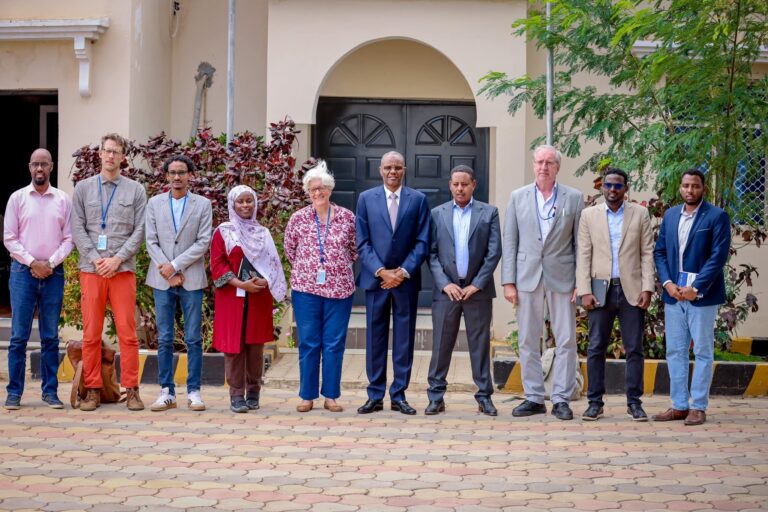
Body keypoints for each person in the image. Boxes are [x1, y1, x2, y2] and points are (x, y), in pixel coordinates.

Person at [501, 144, 583, 421]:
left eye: (549, 162)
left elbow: (579, 244)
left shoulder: (573, 198)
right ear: (533, 165)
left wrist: (579, 283)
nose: (544, 167)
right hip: (527, 277)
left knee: (566, 340)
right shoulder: (518, 197)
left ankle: (561, 398)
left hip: (562, 277)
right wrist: (508, 282)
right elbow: (510, 241)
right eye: (539, 162)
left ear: (558, 167)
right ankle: (534, 397)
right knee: (527, 339)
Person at [71, 133, 147, 411]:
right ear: (100, 154)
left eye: (116, 151)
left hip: (122, 270)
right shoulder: (83, 189)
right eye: (107, 151)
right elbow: (77, 228)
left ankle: (133, 389)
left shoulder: (136, 190)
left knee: (128, 333)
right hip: (91, 271)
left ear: (123, 156)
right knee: (91, 333)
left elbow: (140, 230)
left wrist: (117, 260)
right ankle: (92, 389)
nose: (111, 156)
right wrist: (95, 259)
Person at [576, 168, 655, 421]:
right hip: (600, 290)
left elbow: (647, 253)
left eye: (618, 186)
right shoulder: (589, 215)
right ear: (602, 187)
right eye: (608, 185)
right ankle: (595, 402)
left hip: (631, 289)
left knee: (634, 348)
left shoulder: (640, 214)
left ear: (626, 188)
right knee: (596, 347)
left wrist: (647, 287)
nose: (613, 190)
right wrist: (585, 291)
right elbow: (584, 255)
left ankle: (634, 402)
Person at [653, 169, 730, 426]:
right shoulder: (671, 215)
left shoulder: (717, 216)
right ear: (680, 188)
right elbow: (660, 251)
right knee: (675, 351)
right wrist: (667, 284)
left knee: (703, 351)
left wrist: (695, 287)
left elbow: (718, 256)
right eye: (685, 186)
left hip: (702, 297)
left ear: (703, 189)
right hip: (674, 295)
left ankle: (698, 406)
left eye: (695, 186)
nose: (690, 190)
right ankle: (678, 405)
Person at [356, 151, 430, 415]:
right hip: (376, 282)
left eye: (398, 167)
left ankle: (399, 394)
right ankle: (375, 394)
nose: (393, 172)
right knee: (375, 338)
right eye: (388, 167)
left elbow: (423, 241)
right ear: (380, 170)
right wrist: (381, 271)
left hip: (405, 282)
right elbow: (362, 242)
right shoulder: (366, 199)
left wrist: (402, 272)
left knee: (403, 339)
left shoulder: (418, 200)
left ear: (405, 169)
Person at [425, 165, 501, 416]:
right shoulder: (437, 214)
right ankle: (436, 396)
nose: (460, 188)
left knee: (479, 345)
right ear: (450, 185)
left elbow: (493, 252)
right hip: (446, 292)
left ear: (473, 185)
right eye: (456, 184)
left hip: (477, 292)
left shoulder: (489, 212)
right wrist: (445, 283)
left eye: (464, 184)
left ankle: (484, 397)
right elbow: (432, 254)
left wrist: (476, 283)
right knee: (441, 345)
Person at [3, 148, 73, 410]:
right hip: (23, 273)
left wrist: (50, 264)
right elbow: (9, 237)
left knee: (50, 337)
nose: (40, 169)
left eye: (44, 164)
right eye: (35, 164)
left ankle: (50, 392)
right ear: (29, 167)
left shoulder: (63, 199)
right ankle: (14, 393)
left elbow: (69, 238)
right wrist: (33, 263)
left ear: (51, 166)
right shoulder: (17, 198)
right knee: (19, 337)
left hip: (53, 274)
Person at [284, 161, 357, 413]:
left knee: (334, 343)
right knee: (309, 342)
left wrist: (334, 267)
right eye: (313, 189)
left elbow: (355, 250)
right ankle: (307, 395)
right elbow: (290, 250)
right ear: (307, 192)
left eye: (322, 187)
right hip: (306, 290)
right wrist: (310, 269)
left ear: (330, 189)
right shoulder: (298, 218)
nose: (318, 192)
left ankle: (331, 396)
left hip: (340, 290)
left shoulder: (347, 217)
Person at [210, 185, 287, 413]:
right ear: (232, 204)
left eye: (249, 201)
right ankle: (236, 394)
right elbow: (217, 264)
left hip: (258, 297)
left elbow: (273, 263)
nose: (245, 205)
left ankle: (253, 392)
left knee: (255, 347)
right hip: (231, 297)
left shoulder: (262, 233)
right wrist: (239, 283)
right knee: (234, 347)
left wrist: (265, 281)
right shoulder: (223, 232)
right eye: (240, 202)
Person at [145, 155, 212, 412]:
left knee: (194, 338)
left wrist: (175, 266)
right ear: (166, 175)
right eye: (172, 172)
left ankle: (194, 391)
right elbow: (151, 240)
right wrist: (167, 269)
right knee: (164, 337)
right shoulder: (154, 203)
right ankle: (166, 392)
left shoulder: (202, 204)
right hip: (162, 280)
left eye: (182, 172)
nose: (177, 177)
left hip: (191, 279)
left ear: (190, 175)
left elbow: (203, 241)